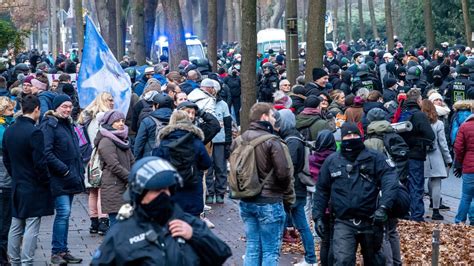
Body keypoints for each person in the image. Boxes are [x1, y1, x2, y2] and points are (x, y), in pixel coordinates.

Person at [90, 157, 232, 265]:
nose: (164, 195)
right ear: (140, 193)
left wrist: (195, 236)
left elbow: (221, 253)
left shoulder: (186, 222)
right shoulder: (121, 233)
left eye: (167, 189)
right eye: (157, 190)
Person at [313, 122, 398, 265]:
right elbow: (322, 190)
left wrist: (384, 207)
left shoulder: (375, 158)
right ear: (342, 138)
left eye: (355, 135)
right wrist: (318, 217)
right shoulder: (332, 161)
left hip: (371, 220)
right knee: (343, 260)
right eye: (348, 135)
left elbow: (390, 181)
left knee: (375, 260)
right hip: (343, 220)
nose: (352, 138)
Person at [232, 102, 295, 266]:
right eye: (273, 115)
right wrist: (287, 198)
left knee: (252, 247)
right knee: (270, 251)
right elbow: (283, 173)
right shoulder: (273, 141)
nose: (275, 119)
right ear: (264, 117)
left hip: (246, 201)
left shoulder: (239, 140)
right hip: (270, 201)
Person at [2, 95, 53, 265]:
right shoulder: (34, 132)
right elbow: (40, 162)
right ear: (37, 109)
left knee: (16, 225)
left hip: (17, 183)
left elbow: (7, 159)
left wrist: (15, 174)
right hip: (34, 185)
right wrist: (46, 181)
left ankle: (14, 260)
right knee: (32, 224)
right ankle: (26, 261)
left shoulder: (10, 129)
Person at [40, 94, 85, 264]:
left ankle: (62, 250)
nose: (67, 109)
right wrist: (64, 171)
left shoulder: (67, 124)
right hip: (59, 178)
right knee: (64, 213)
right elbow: (47, 152)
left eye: (69, 106)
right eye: (63, 106)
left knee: (65, 215)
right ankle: (56, 252)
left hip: (71, 177)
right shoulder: (50, 125)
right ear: (56, 107)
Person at [276, 109, 317, 266]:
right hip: (296, 189)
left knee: (280, 223)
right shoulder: (295, 137)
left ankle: (268, 257)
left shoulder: (292, 140)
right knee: (301, 226)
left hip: (292, 189)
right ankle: (311, 259)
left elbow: (289, 166)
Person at [153, 110, 212, 217]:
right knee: (192, 229)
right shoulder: (196, 141)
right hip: (192, 192)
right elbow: (206, 163)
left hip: (170, 193)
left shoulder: (164, 142)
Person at [78, 92, 114, 235]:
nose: (112, 102)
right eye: (110, 100)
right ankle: (103, 222)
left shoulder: (88, 117)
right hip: (99, 157)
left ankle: (94, 222)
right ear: (104, 101)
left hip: (88, 157)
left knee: (93, 191)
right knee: (101, 190)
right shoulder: (103, 119)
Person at [398, 89, 435, 222]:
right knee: (416, 184)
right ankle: (417, 215)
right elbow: (430, 135)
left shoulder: (402, 112)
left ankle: (404, 212)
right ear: (419, 101)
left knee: (404, 183)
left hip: (401, 154)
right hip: (416, 154)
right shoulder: (419, 115)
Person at [95, 110, 135, 226]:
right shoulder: (106, 141)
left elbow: (132, 160)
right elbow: (113, 165)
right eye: (117, 121)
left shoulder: (123, 139)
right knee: (116, 224)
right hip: (114, 186)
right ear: (109, 123)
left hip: (125, 186)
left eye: (122, 120)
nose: (121, 123)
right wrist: (130, 177)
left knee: (125, 225)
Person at [420, 100, 452, 221]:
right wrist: (448, 159)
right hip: (435, 155)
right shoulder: (438, 123)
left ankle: (418, 209)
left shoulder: (418, 122)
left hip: (420, 155)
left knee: (420, 182)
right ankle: (435, 209)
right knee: (436, 182)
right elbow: (443, 144)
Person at [205, 92, 232, 204]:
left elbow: (227, 124)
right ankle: (209, 193)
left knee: (221, 167)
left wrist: (228, 141)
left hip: (220, 140)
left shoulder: (223, 104)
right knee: (208, 168)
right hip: (207, 141)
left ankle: (220, 193)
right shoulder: (203, 102)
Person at [134, 94, 173, 159]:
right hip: (170, 159)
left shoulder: (147, 121)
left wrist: (136, 160)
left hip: (151, 158)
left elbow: (139, 144)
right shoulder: (176, 120)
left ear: (157, 105)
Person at [453, 103, 474, 225]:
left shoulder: (465, 126)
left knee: (466, 196)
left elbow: (458, 148)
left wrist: (460, 162)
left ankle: (459, 221)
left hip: (469, 167)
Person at [0, 97, 14, 263]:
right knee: (3, 223)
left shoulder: (6, 125)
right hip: (4, 180)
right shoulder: (3, 128)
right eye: (10, 110)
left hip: (5, 180)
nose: (12, 114)